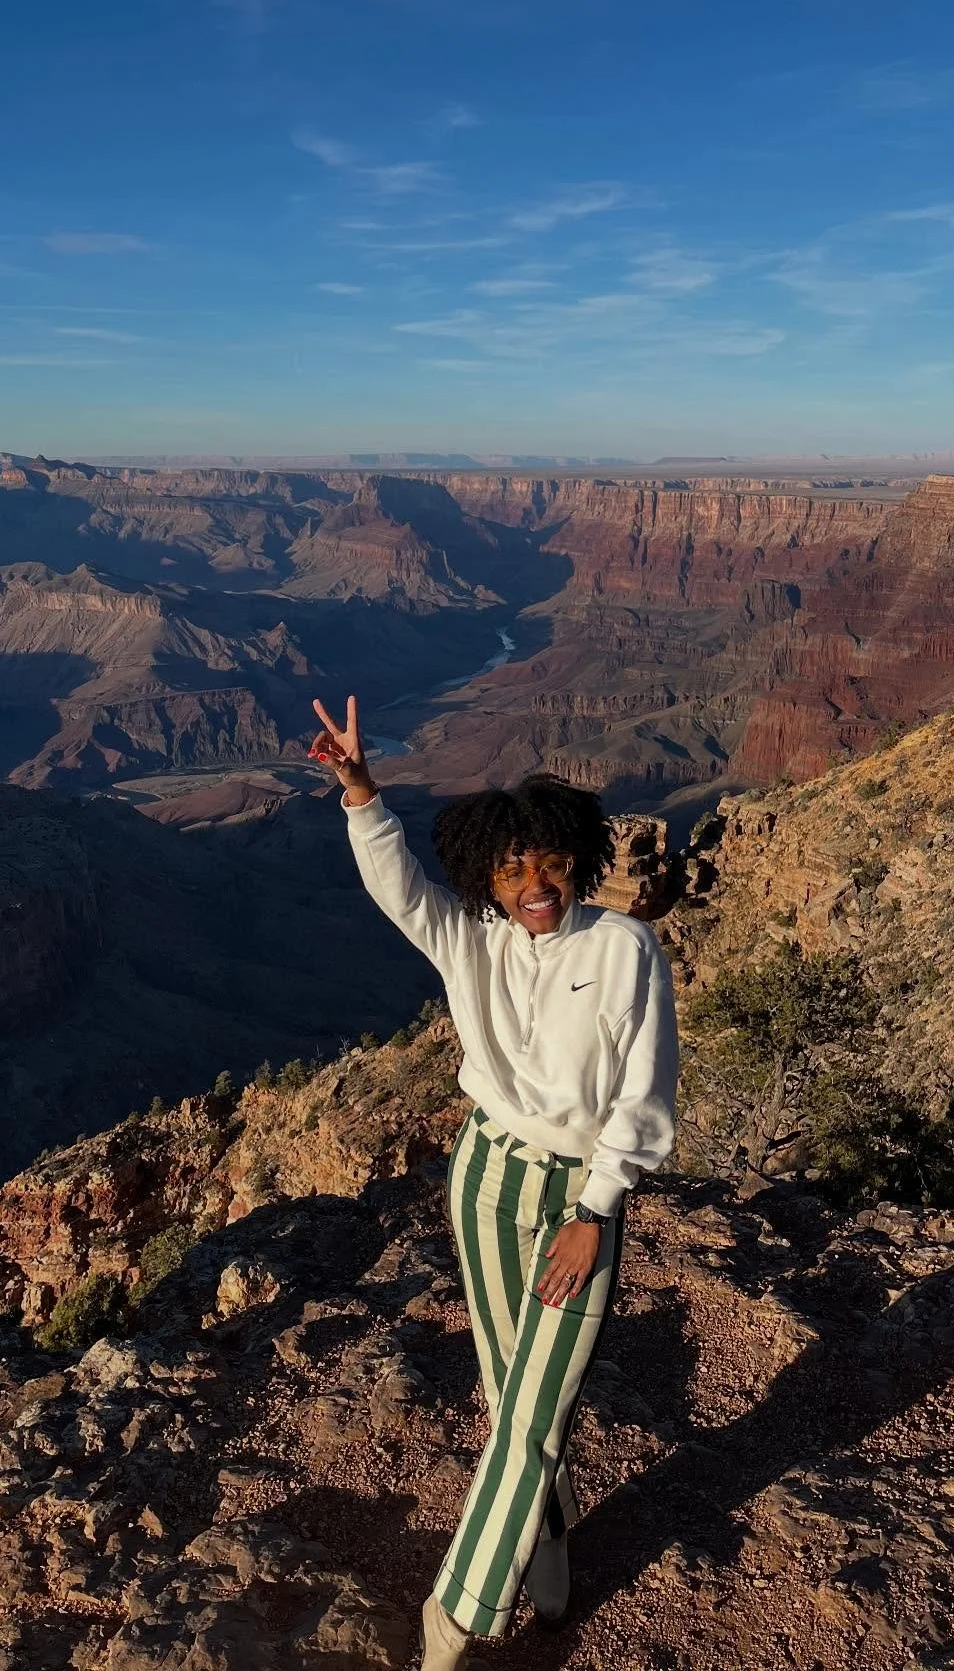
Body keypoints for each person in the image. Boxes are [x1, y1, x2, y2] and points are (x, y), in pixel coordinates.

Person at [309, 694, 679, 1670]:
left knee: (532, 1417)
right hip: (482, 1181)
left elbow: (643, 1097)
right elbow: (400, 891)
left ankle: (454, 1619)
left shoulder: (623, 950)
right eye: (510, 868)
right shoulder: (468, 938)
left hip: (574, 1199)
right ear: (487, 876)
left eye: (549, 861)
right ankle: (549, 1545)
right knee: (509, 1392)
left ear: (577, 858)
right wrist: (360, 795)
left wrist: (597, 1212)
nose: (533, 883)